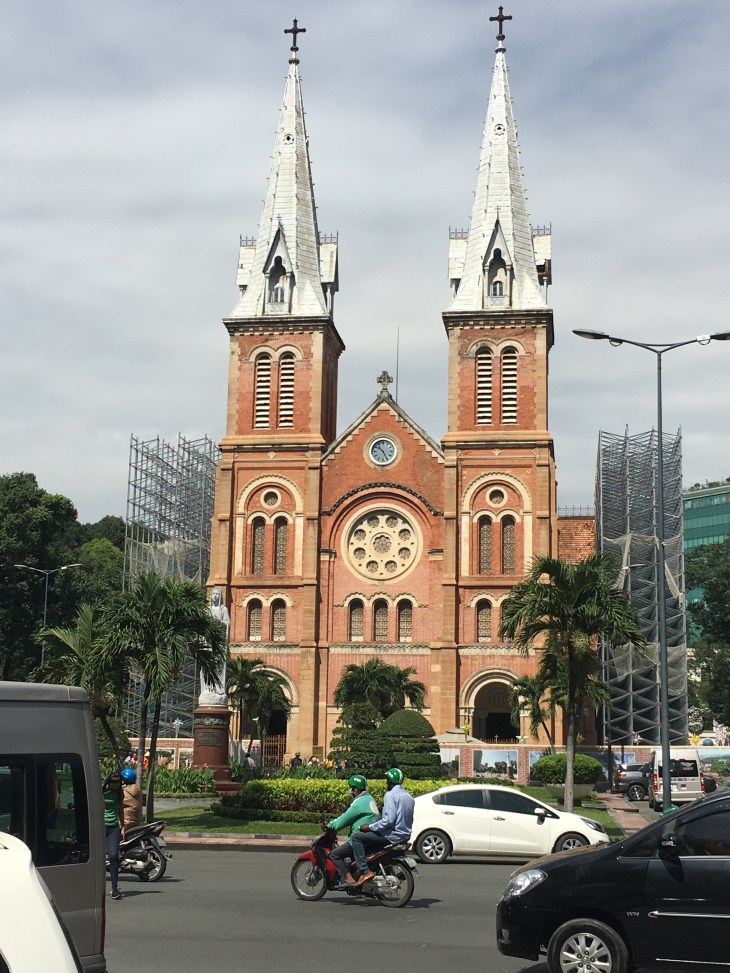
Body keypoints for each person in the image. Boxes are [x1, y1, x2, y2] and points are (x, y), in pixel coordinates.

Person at [350, 768, 414, 887]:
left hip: (391, 835)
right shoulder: (408, 796)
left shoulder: (390, 795)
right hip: (405, 835)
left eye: (387, 780)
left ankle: (364, 871)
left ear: (390, 781)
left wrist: (369, 827)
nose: (386, 783)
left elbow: (388, 820)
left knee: (356, 837)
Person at [325, 775, 380, 889]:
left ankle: (348, 879)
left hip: (360, 839)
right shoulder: (369, 798)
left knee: (335, 854)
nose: (350, 790)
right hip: (370, 837)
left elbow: (344, 818)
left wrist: (331, 825)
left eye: (351, 788)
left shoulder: (359, 802)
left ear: (355, 789)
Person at [199, 586, 230, 706]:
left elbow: (227, 624)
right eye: (214, 594)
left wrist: (220, 623)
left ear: (220, 596)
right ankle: (207, 688)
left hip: (218, 643)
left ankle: (217, 687)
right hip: (208, 642)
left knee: (218, 665)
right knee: (208, 665)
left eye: (218, 594)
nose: (215, 596)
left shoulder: (223, 610)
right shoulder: (207, 610)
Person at [103, 771, 125, 900]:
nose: (115, 785)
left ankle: (114, 888)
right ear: (109, 782)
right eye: (113, 783)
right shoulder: (101, 790)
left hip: (113, 827)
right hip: (100, 826)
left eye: (118, 783)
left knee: (113, 856)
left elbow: (120, 809)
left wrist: (123, 826)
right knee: (98, 859)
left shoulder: (119, 793)